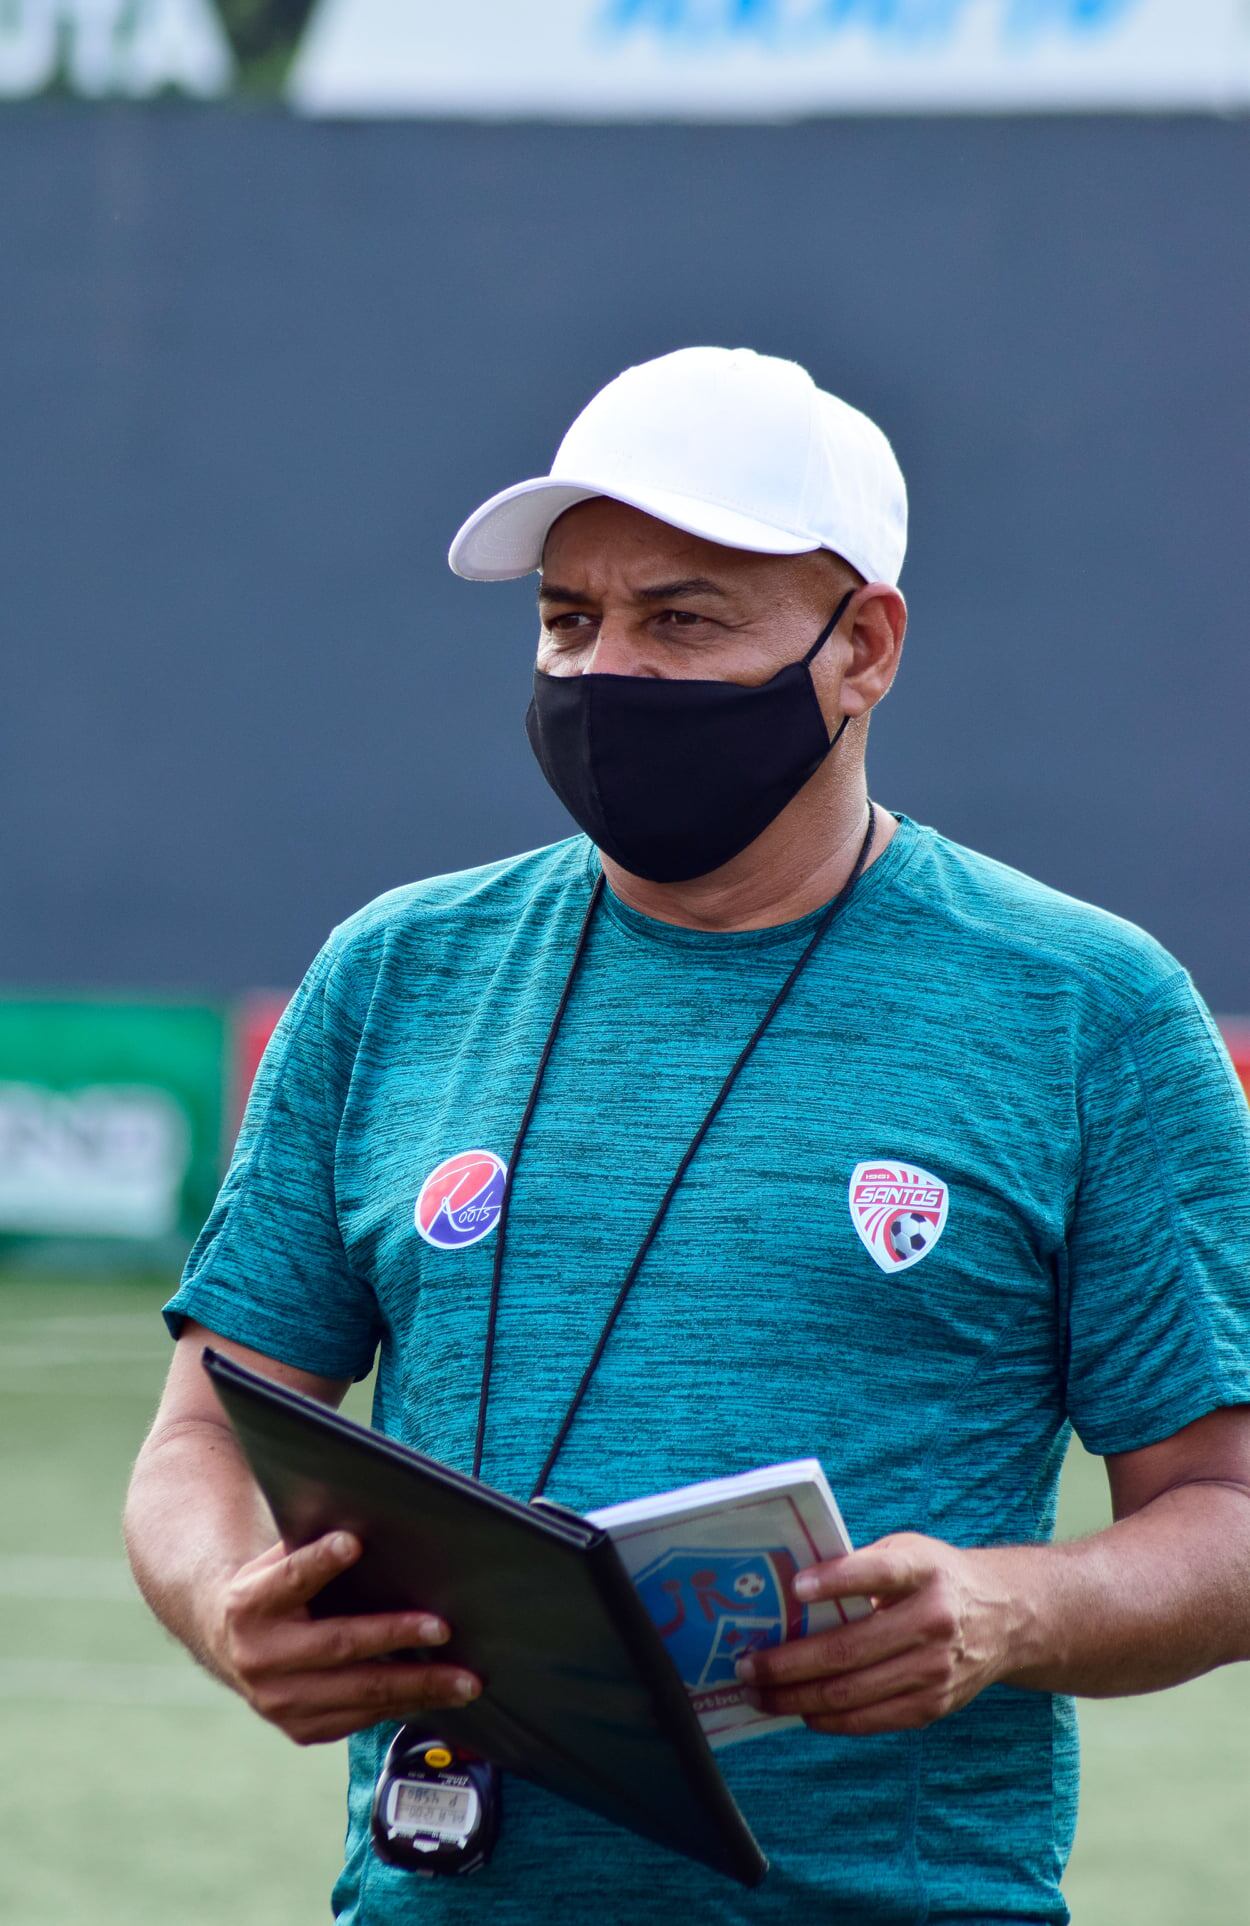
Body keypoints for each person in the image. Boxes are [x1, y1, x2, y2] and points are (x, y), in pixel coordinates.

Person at [125, 346, 1250, 1925]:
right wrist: (225, 1597)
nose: (604, 673)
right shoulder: (394, 971)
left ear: (862, 646)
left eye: (682, 617)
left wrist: (1008, 1606)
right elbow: (198, 1432)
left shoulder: (1087, 1007)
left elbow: (1225, 1510)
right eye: (566, 618)